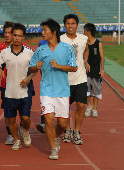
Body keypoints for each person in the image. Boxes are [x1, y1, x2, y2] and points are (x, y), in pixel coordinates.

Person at [30, 19, 77, 160]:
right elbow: (31, 67)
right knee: (49, 121)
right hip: (46, 90)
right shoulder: (40, 49)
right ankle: (54, 149)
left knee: (62, 124)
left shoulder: (67, 48)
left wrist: (60, 66)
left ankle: (56, 136)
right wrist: (36, 66)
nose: (42, 33)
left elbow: (74, 67)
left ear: (53, 32)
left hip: (62, 90)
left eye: (45, 30)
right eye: (42, 30)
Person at [0, 23, 36, 151]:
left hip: (25, 90)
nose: (17, 38)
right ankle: (17, 139)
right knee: (11, 119)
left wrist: (28, 78)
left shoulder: (30, 52)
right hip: (10, 91)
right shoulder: (4, 52)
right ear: (12, 36)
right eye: (15, 35)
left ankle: (24, 130)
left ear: (24, 37)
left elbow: (35, 69)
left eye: (20, 36)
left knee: (25, 118)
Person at [60, 14, 89, 145]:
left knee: (81, 105)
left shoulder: (84, 38)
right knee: (65, 107)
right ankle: (67, 130)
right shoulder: (60, 39)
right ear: (64, 25)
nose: (70, 26)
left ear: (77, 25)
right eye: (68, 24)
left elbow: (86, 49)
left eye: (73, 24)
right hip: (65, 79)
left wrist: (85, 61)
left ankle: (77, 131)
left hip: (80, 78)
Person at [84, 23, 105, 117]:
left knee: (96, 91)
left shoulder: (98, 43)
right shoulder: (85, 43)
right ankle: (89, 106)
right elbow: (84, 56)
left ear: (88, 32)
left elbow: (102, 57)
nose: (83, 32)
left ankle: (95, 109)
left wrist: (102, 70)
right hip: (86, 72)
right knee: (87, 91)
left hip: (96, 71)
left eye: (84, 31)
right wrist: (85, 63)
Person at [35, 39, 48, 134]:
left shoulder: (61, 41)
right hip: (46, 78)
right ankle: (43, 122)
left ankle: (63, 125)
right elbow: (39, 59)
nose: (43, 32)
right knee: (45, 100)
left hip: (59, 77)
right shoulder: (42, 42)